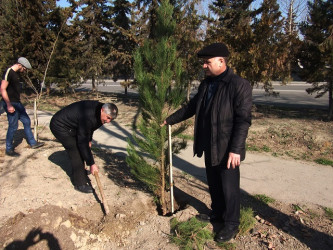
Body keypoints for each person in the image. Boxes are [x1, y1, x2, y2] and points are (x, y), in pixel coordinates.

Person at [162, 43, 252, 242]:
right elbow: (191, 108)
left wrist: (235, 149)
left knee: (229, 188)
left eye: (207, 62)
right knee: (214, 184)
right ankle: (217, 214)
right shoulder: (206, 84)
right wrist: (170, 119)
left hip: (228, 147)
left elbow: (243, 120)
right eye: (203, 62)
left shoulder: (238, 85)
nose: (203, 66)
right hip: (209, 145)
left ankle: (231, 225)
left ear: (221, 61)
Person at [50, 100, 118, 194]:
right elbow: (82, 141)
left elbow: (91, 128)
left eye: (111, 119)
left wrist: (89, 140)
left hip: (73, 126)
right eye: (108, 118)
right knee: (76, 151)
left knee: (83, 147)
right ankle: (79, 183)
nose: (108, 121)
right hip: (60, 126)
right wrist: (92, 164)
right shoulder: (89, 115)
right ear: (102, 110)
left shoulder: (99, 113)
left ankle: (81, 171)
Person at [1, 57, 45, 157]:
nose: (25, 70)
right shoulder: (9, 72)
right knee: (13, 126)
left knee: (26, 121)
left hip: (17, 103)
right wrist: (8, 105)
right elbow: (2, 89)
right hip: (11, 103)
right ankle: (9, 149)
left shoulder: (16, 74)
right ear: (20, 65)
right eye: (24, 68)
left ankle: (33, 143)